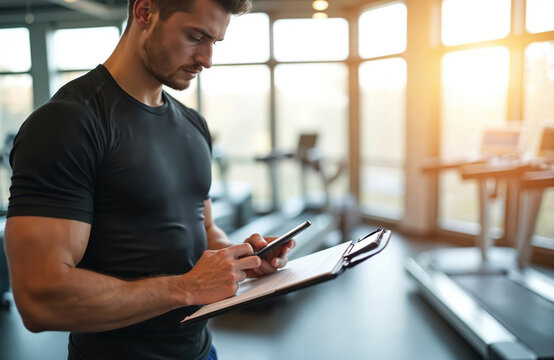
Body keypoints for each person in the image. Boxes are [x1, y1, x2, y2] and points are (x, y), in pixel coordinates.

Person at [3, 0, 295, 359]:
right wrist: (186, 288)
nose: (206, 59)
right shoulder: (69, 123)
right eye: (195, 37)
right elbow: (40, 297)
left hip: (202, 352)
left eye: (214, 42)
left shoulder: (193, 125)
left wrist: (248, 260)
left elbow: (203, 231)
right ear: (144, 12)